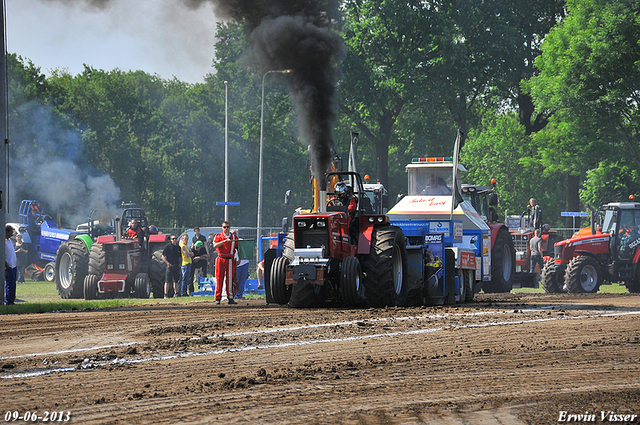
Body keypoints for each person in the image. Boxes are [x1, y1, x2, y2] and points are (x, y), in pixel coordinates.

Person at [213, 221, 239, 305]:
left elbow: (238, 248)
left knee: (230, 279)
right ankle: (218, 298)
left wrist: (239, 259)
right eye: (224, 227)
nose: (226, 229)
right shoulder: (219, 236)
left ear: (230, 227)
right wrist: (224, 241)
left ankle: (230, 297)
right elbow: (215, 245)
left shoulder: (234, 237)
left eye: (227, 227)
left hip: (230, 259)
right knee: (219, 278)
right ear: (222, 228)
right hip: (221, 259)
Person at [5, 226, 17, 305]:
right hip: (8, 266)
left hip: (13, 266)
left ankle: (12, 300)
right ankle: (9, 301)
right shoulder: (4, 241)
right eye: (10, 232)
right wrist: (6, 265)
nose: (12, 233)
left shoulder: (9, 241)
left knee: (13, 284)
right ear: (6, 232)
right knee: (10, 284)